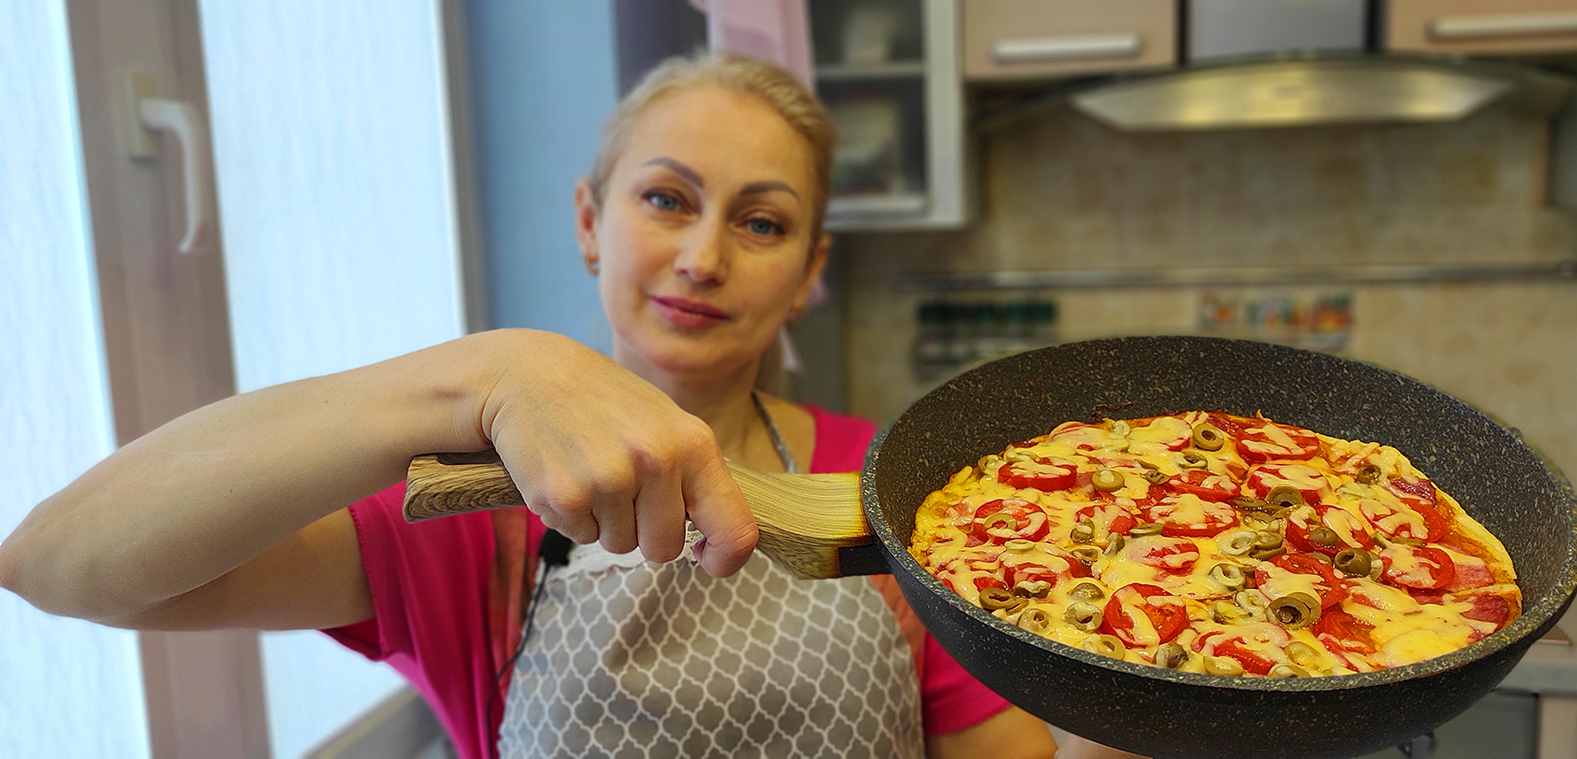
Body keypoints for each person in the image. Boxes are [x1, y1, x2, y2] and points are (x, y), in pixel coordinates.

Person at [0, 53, 1131, 758]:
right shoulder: (470, 516)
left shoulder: (885, 492)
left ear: (808, 269)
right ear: (590, 222)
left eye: (761, 220)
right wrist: (476, 375)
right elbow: (56, 561)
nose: (701, 256)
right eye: (664, 199)